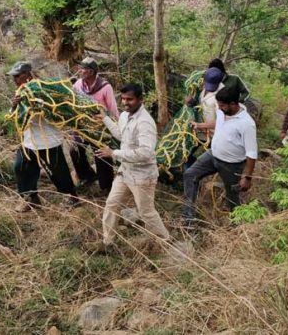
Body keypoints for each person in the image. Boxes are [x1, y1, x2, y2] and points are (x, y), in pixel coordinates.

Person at [95, 83, 170, 249]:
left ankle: (164, 241)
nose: (125, 102)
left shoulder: (145, 122)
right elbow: (122, 135)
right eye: (123, 99)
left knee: (146, 212)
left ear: (140, 100)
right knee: (111, 204)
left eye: (130, 99)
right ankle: (108, 242)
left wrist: (114, 153)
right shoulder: (124, 115)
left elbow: (146, 152)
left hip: (143, 176)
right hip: (126, 171)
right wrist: (106, 119)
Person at [182, 86, 258, 228]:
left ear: (233, 104)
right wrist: (200, 125)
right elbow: (218, 123)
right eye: (219, 105)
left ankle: (236, 228)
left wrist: (247, 177)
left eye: (222, 105)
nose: (219, 108)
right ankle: (187, 219)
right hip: (213, 156)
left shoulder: (247, 124)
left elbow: (252, 153)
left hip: (232, 164)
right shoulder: (224, 111)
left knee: (232, 197)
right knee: (190, 175)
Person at [9, 61, 78, 212]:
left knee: (58, 171)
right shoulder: (21, 92)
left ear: (27, 75)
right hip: (28, 141)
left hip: (48, 140)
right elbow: (14, 115)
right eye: (13, 77)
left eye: (17, 76)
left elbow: (59, 111)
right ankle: (30, 199)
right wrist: (14, 106)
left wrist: (40, 106)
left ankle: (71, 196)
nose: (15, 80)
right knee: (21, 168)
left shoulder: (43, 89)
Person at [70, 57, 118, 194]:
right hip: (82, 125)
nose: (80, 71)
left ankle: (106, 186)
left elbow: (112, 108)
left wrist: (116, 126)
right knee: (75, 150)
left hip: (99, 127)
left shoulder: (105, 87)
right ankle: (88, 176)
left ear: (91, 72)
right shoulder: (78, 84)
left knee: (101, 153)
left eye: (83, 69)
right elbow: (73, 102)